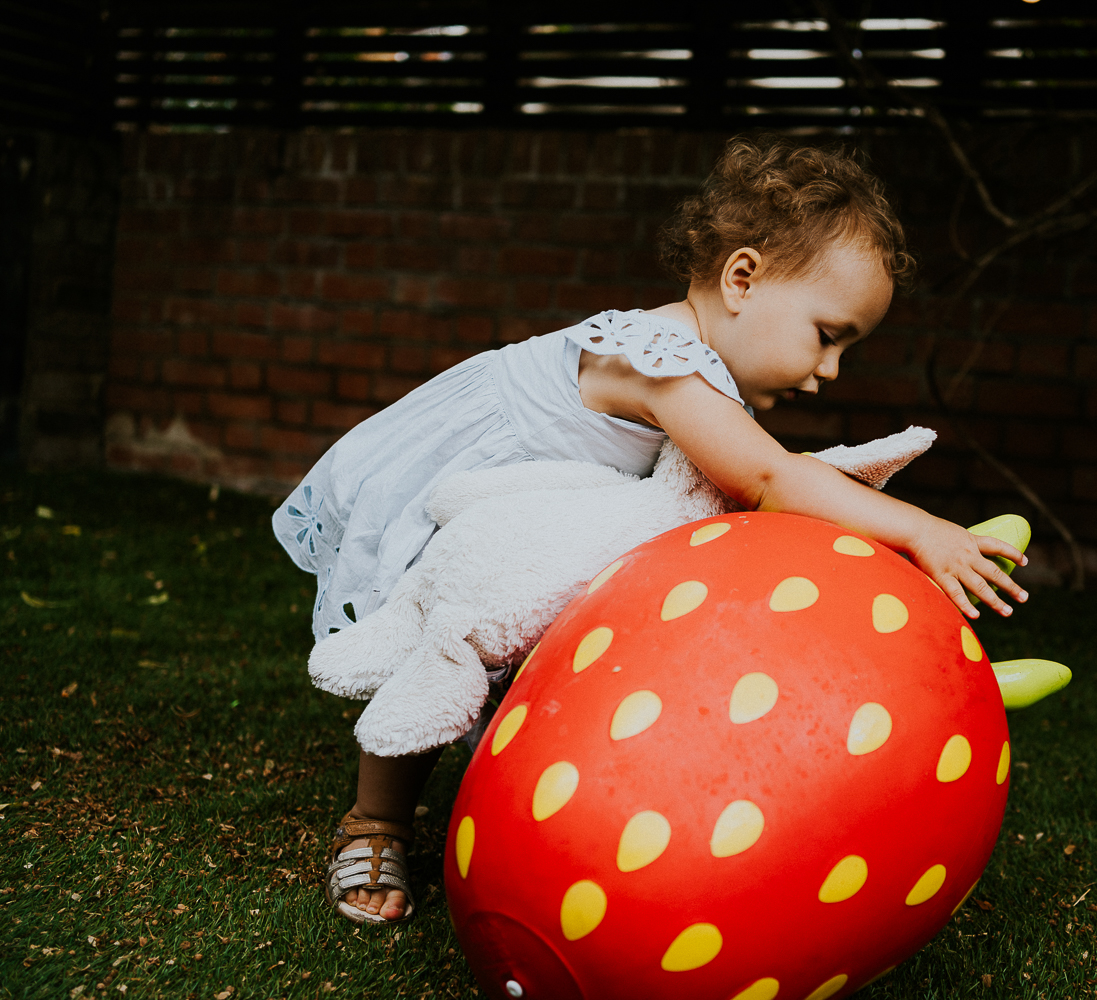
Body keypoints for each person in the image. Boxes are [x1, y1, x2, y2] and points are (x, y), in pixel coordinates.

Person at [273, 137, 1029, 926]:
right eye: (827, 334)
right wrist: (921, 530)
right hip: (472, 509)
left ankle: (522, 794)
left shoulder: (686, 361)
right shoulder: (666, 361)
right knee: (443, 646)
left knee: (509, 658)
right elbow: (766, 478)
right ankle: (377, 821)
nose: (830, 370)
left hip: (547, 517)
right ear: (744, 278)